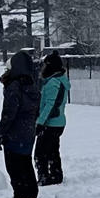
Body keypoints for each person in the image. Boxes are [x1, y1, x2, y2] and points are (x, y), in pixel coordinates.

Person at [0, 50, 40, 198]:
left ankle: (21, 197)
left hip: (15, 133)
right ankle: (31, 192)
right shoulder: (32, 83)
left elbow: (9, 113)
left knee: (14, 167)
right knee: (25, 163)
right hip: (28, 132)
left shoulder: (14, 86)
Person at [35, 51, 69, 186]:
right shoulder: (59, 80)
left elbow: (50, 105)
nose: (42, 68)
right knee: (52, 151)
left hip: (51, 123)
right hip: (58, 122)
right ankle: (55, 175)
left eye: (44, 65)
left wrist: (40, 122)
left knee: (40, 153)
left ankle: (45, 178)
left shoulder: (53, 82)